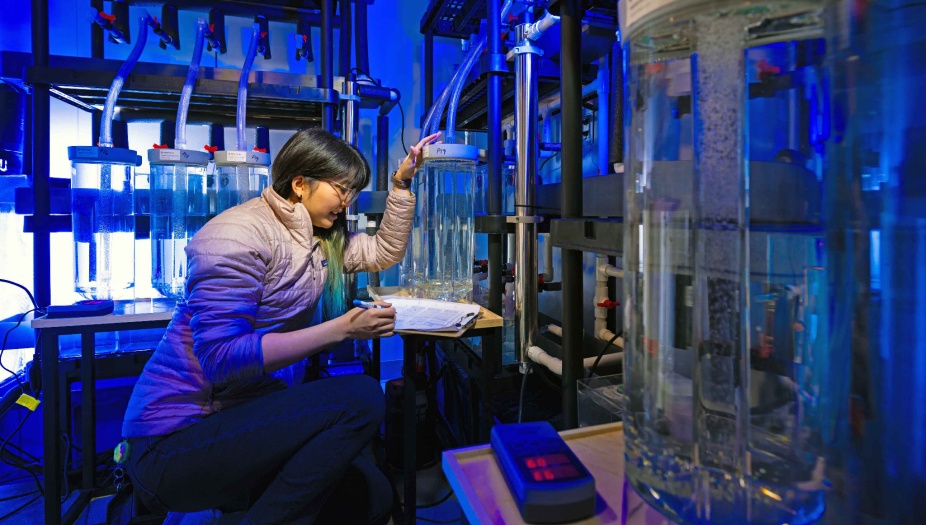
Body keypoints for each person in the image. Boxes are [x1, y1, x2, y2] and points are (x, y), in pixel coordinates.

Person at [121, 128, 442, 524]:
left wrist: (401, 183)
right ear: (300, 184)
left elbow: (384, 251)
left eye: (353, 191)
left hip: (237, 415)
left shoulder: (318, 240)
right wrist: (342, 328)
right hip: (175, 439)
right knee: (360, 398)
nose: (347, 202)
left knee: (372, 498)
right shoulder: (236, 234)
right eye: (341, 189)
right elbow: (222, 359)